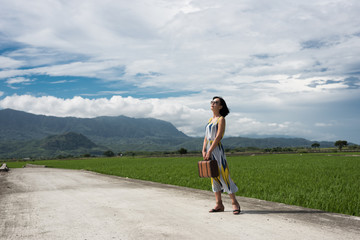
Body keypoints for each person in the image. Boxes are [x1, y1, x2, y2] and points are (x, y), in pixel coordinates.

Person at [202, 96, 241, 215]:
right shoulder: (210, 120)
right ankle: (219, 204)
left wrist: (210, 150)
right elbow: (205, 137)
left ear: (221, 106)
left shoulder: (221, 119)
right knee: (213, 176)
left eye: (216, 102)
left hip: (217, 150)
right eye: (212, 102)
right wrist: (204, 150)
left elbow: (218, 137)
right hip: (209, 150)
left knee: (223, 175)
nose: (213, 103)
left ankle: (235, 203)